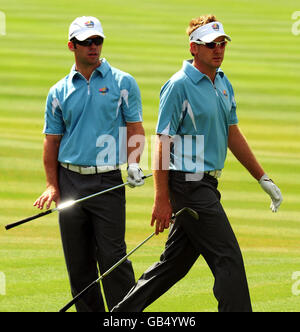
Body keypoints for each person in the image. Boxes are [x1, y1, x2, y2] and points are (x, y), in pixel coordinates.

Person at [112, 14, 283, 312]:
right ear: (194, 48)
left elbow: (232, 133)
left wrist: (262, 177)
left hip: (206, 184)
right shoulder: (178, 85)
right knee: (227, 256)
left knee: (174, 265)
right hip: (189, 185)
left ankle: (119, 315)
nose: (218, 49)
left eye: (222, 43)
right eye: (210, 45)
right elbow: (162, 141)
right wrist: (161, 198)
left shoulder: (223, 82)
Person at [33, 16, 145, 312]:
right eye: (86, 42)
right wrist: (52, 185)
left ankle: (125, 317)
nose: (94, 47)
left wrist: (133, 163)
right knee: (79, 263)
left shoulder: (123, 82)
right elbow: (51, 142)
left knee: (113, 259)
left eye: (98, 41)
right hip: (70, 181)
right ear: (72, 46)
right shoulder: (59, 91)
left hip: (107, 181)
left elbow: (135, 128)